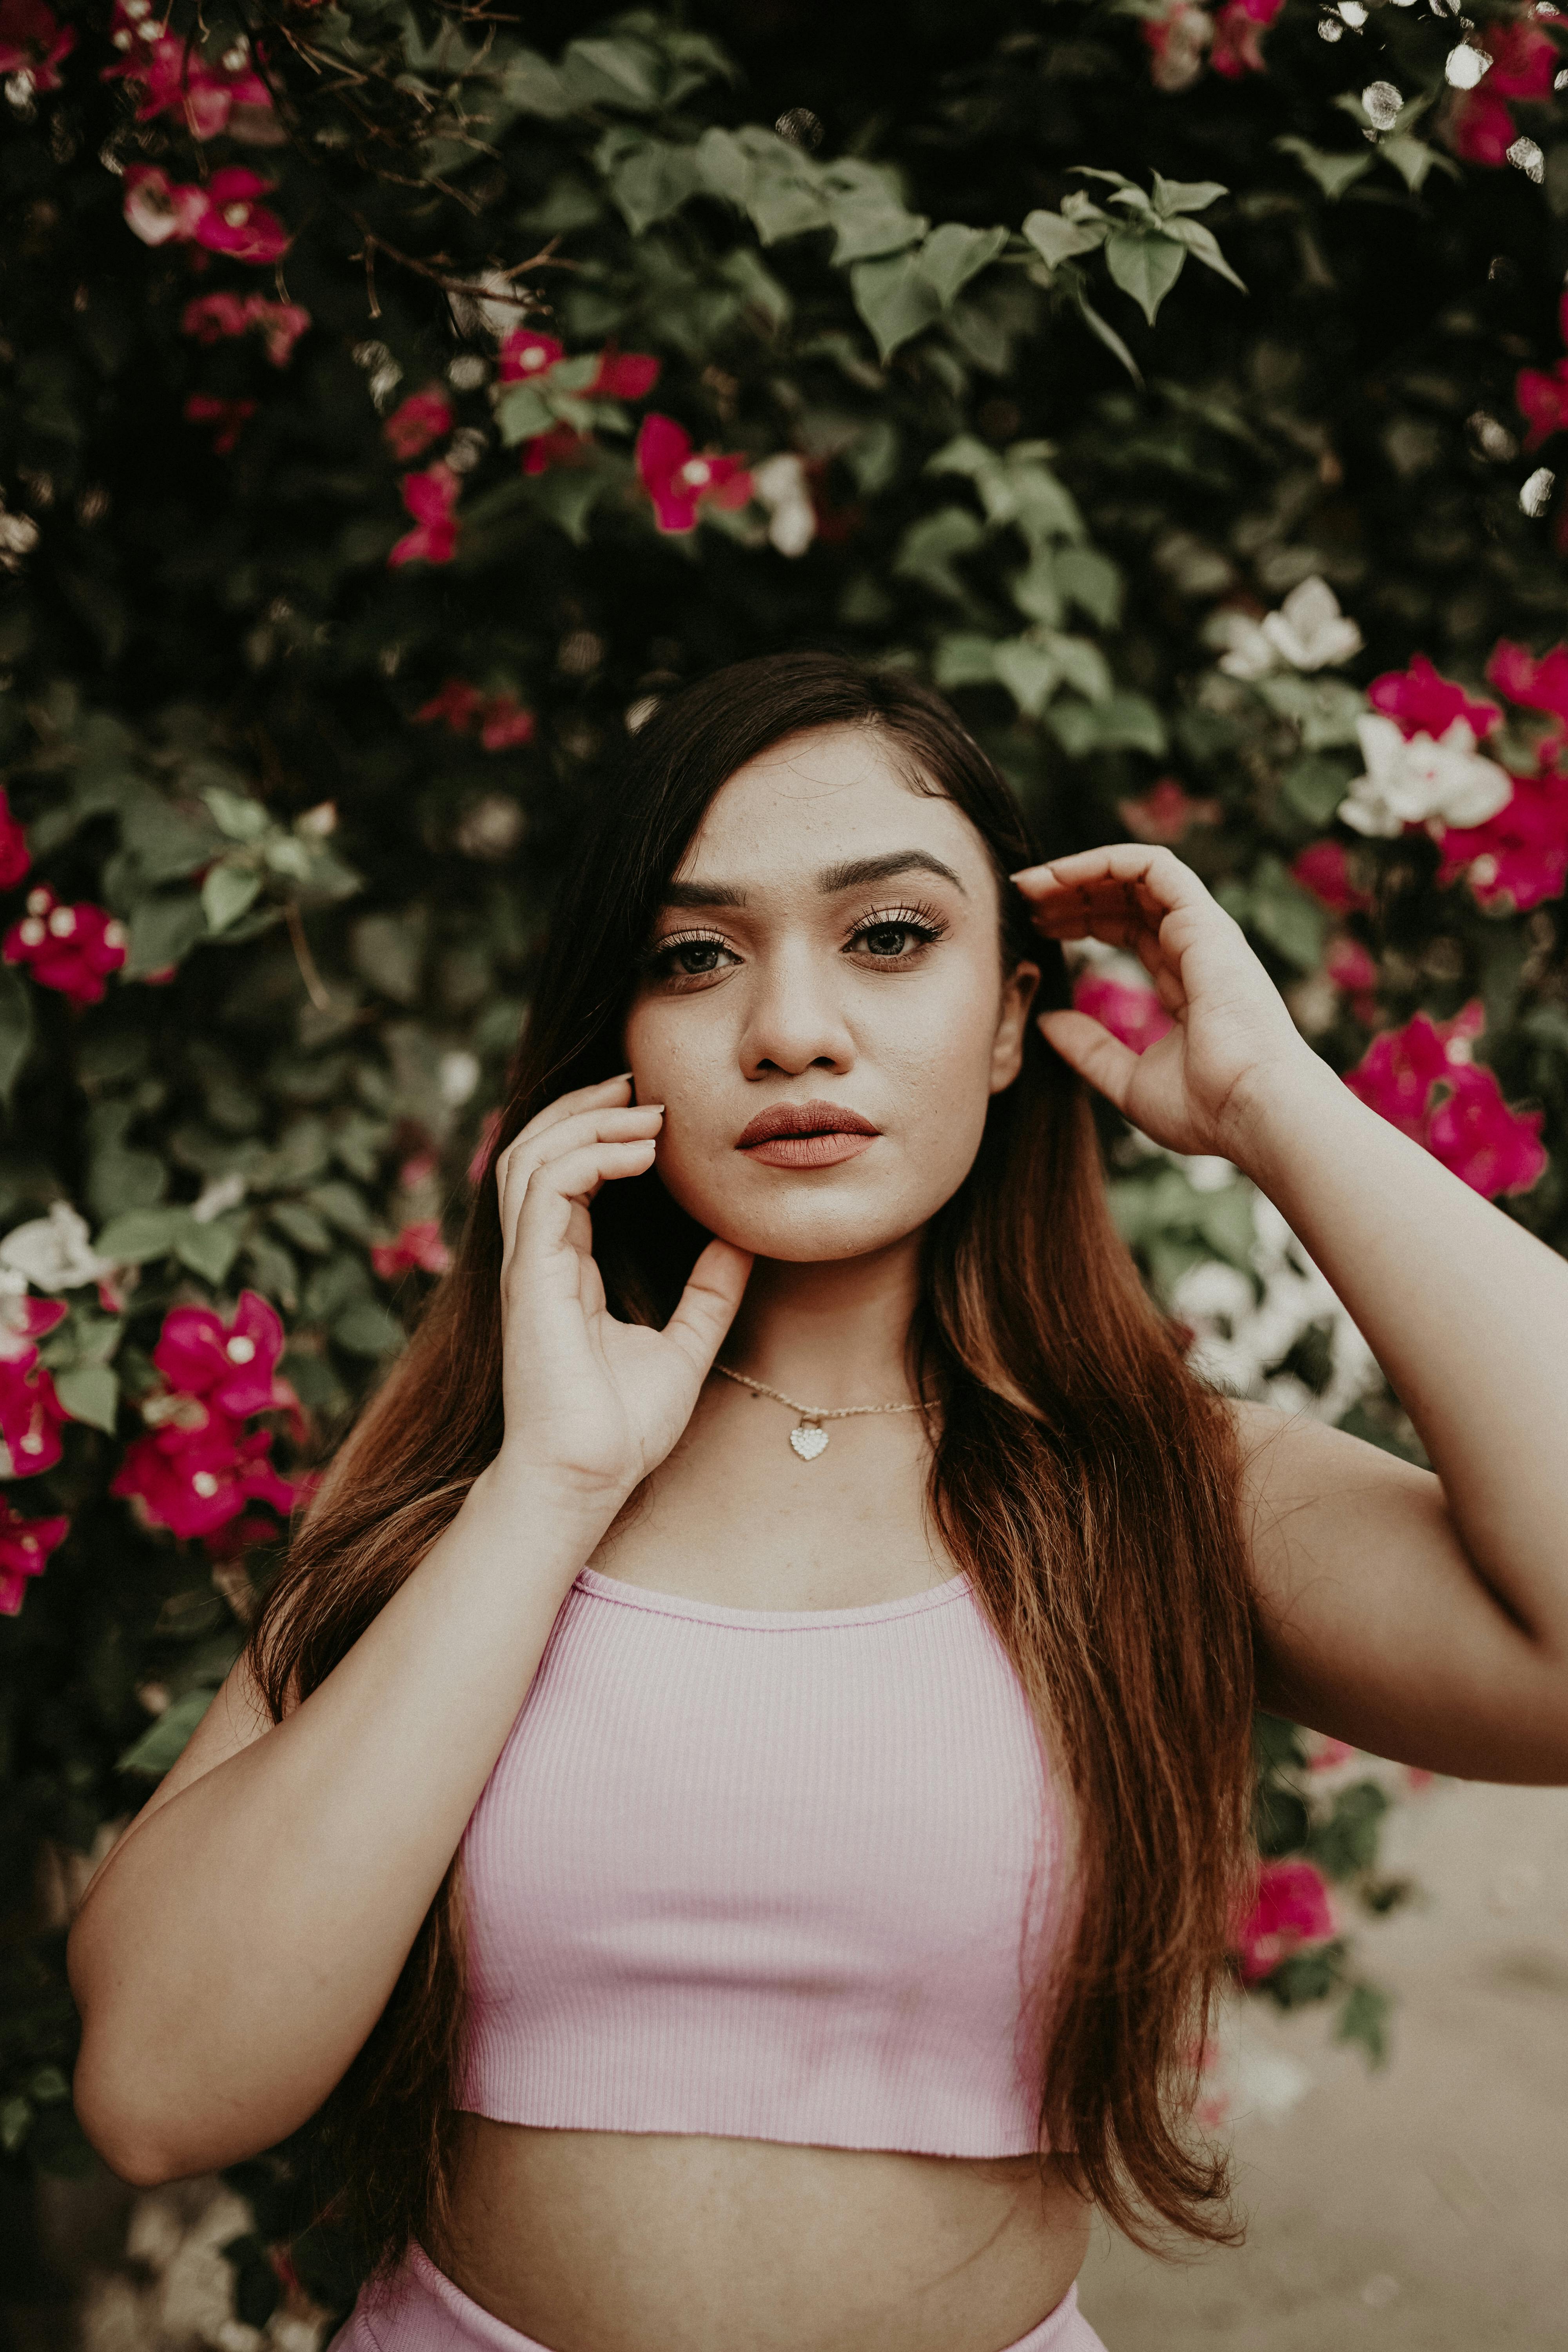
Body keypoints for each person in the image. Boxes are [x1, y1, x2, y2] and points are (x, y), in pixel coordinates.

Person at [67, 651, 1568, 2352]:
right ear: (613, 1036)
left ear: (1014, 1014)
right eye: (693, 957)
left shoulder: (1169, 1488)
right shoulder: (476, 1470)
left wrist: (1278, 1109)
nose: (789, 1028)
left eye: (891, 937)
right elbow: (158, 2089)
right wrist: (549, 1491)